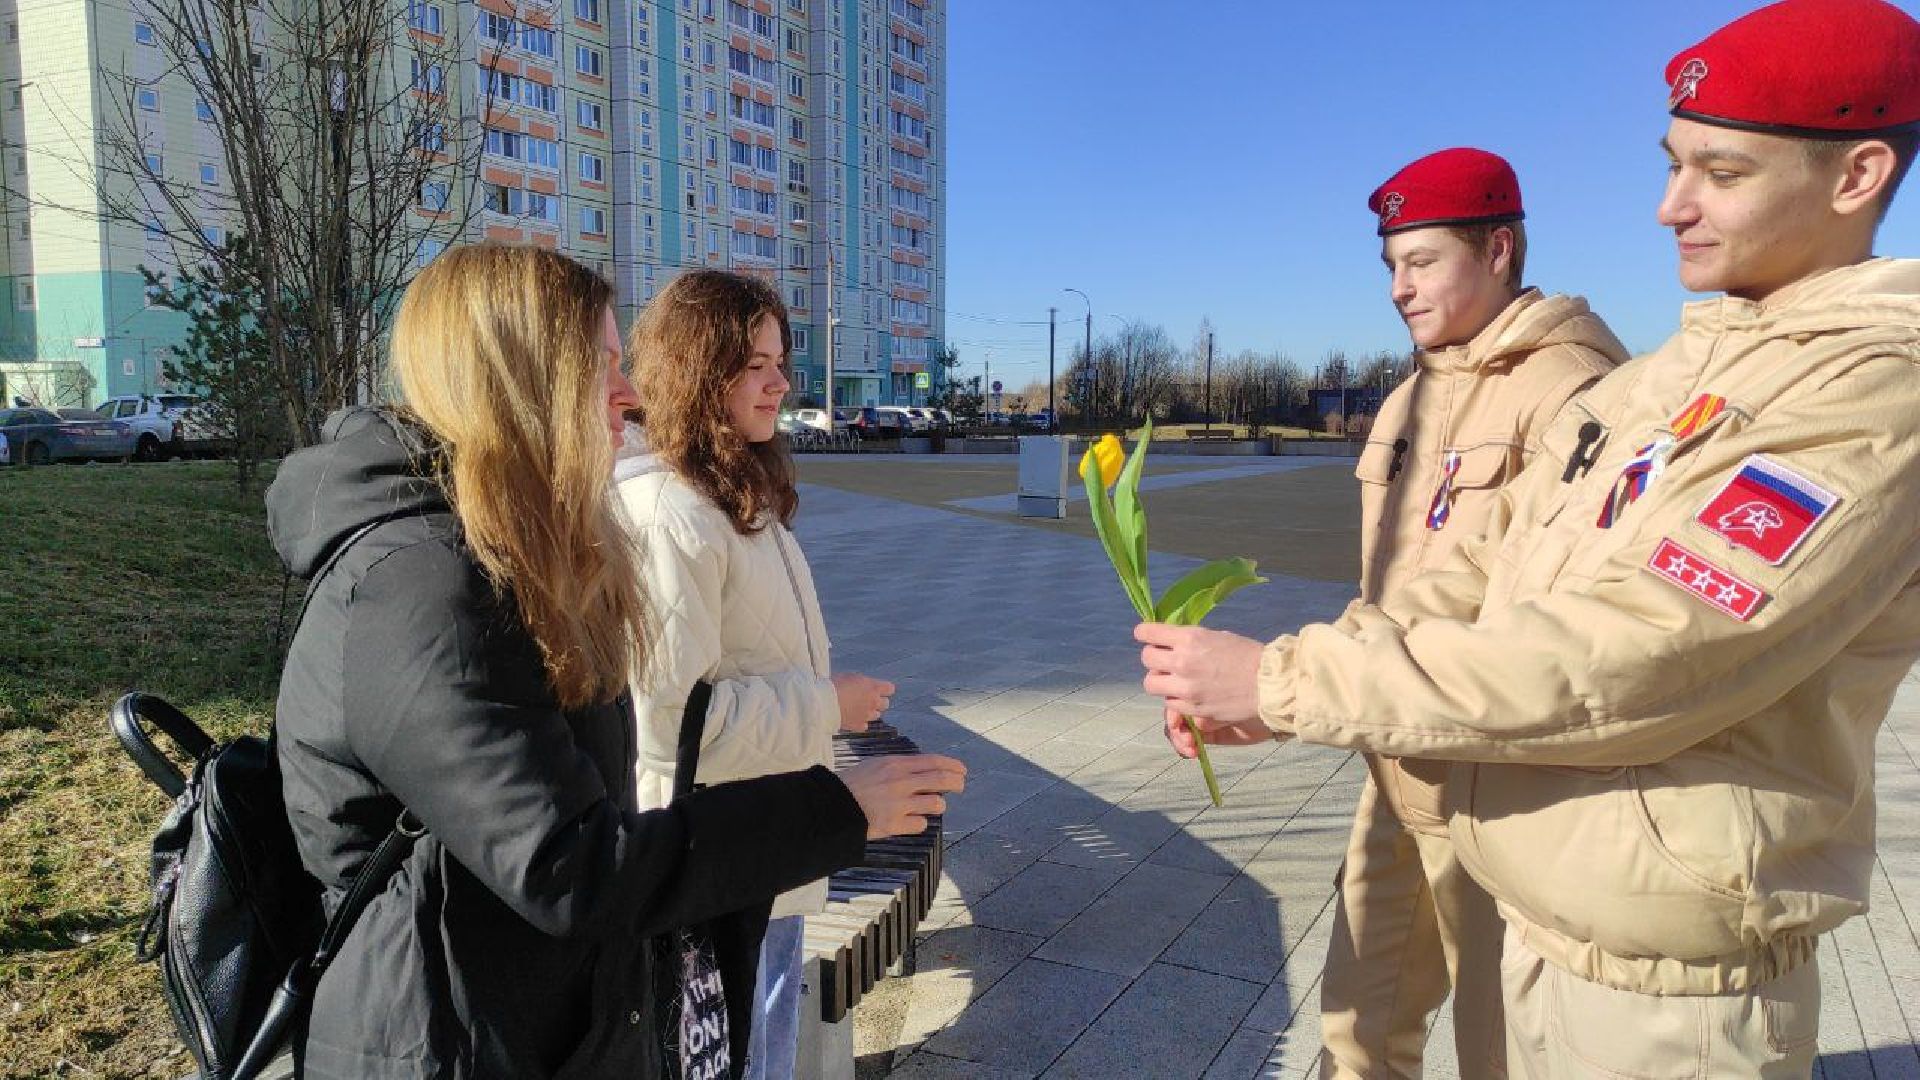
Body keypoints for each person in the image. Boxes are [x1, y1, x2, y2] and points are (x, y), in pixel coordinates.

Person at [1138, 0, 1920, 1072]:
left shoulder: (1868, 394)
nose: (1668, 207)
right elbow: (1488, 574)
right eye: (1673, 164)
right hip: (1540, 884)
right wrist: (1288, 690)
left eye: (1722, 173)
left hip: (1668, 986)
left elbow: (1647, 648)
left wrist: (1282, 684)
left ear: (1857, 176)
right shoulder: (1665, 380)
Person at [269, 244, 965, 1079]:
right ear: (518, 376)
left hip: (540, 1018)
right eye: (597, 365)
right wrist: (834, 809)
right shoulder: (422, 587)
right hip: (449, 1039)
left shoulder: (501, 552)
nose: (628, 393)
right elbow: (574, 866)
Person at [1325, 147, 1626, 1080]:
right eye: (1390, 266)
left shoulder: (1574, 387)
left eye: (1421, 263)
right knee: (1358, 1020)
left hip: (1503, 781)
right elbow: (1393, 585)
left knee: (1502, 1043)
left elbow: (1555, 618)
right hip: (1398, 750)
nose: (1398, 290)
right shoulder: (1415, 393)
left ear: (1499, 250)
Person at [614, 269, 897, 1080]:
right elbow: (670, 724)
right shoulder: (672, 514)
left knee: (764, 1040)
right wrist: (826, 705)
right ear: (700, 373)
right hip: (724, 857)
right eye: (754, 364)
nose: (780, 382)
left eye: (780, 361)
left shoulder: (728, 487)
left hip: (767, 839)